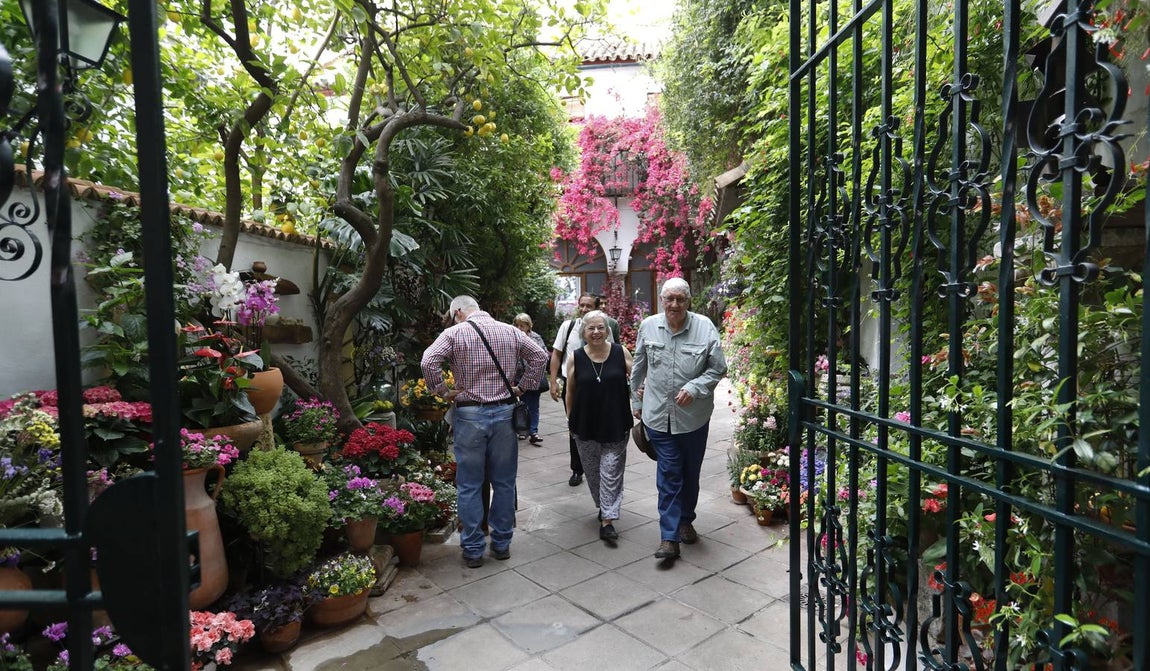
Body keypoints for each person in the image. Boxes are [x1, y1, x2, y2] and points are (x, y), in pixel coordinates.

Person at [422, 296, 548, 568]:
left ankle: (473, 549)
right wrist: (523, 387)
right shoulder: (510, 330)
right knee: (504, 482)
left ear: (458, 312)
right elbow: (539, 355)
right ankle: (501, 544)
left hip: (468, 415)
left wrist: (443, 392)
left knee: (469, 484)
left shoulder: (454, 333)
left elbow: (428, 361)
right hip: (504, 413)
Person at [630, 277, 727, 562]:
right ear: (662, 300)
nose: (674, 304)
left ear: (688, 301)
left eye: (680, 299)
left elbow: (718, 368)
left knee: (690, 473)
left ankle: (686, 519)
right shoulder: (649, 326)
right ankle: (669, 537)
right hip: (658, 416)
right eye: (669, 299)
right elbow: (638, 366)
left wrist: (695, 388)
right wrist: (636, 401)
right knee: (670, 474)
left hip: (693, 418)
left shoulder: (704, 327)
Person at [565, 310, 633, 542]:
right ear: (583, 332)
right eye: (591, 328)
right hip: (585, 424)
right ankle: (604, 505)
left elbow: (638, 378)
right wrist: (570, 420)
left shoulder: (619, 352)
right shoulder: (575, 356)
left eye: (600, 327)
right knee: (593, 473)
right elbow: (570, 392)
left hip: (616, 422)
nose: (596, 332)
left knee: (611, 470)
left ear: (608, 330)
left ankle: (608, 520)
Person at [549, 293, 597, 486]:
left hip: (597, 384)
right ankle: (577, 469)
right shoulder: (568, 327)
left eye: (589, 306)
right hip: (572, 384)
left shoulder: (602, 327)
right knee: (574, 425)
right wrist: (553, 382)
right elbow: (556, 354)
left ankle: (595, 463)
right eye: (582, 305)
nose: (585, 309)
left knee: (596, 424)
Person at [513, 313, 548, 445]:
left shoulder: (536, 337)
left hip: (534, 377)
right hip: (519, 377)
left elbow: (544, 355)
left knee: (534, 405)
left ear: (529, 326)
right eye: (517, 325)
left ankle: (533, 430)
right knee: (521, 405)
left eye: (522, 325)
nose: (519, 328)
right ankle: (523, 430)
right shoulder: (513, 337)